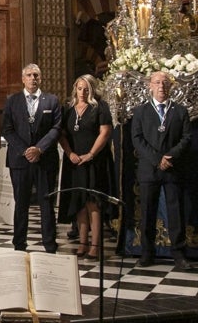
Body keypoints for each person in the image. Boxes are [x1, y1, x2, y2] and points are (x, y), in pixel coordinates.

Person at [130, 71, 192, 269]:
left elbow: (186, 138)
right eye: (157, 82)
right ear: (150, 85)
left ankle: (179, 254)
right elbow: (137, 139)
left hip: (174, 168)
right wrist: (158, 159)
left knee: (176, 212)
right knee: (148, 212)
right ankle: (147, 253)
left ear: (171, 86)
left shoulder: (180, 111)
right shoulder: (140, 111)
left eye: (165, 83)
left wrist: (170, 157)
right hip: (150, 169)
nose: (161, 86)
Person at [1, 64, 61, 253]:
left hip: (45, 160)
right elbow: (7, 129)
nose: (33, 78)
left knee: (46, 203)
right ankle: (19, 244)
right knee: (21, 203)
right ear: (23, 78)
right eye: (29, 75)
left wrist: (39, 149)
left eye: (36, 75)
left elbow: (56, 128)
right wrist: (26, 150)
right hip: (20, 160)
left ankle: (50, 244)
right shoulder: (13, 101)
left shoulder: (52, 101)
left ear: (40, 78)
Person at [57, 74, 112, 262]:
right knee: (78, 201)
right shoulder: (69, 109)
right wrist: (70, 153)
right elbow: (62, 134)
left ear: (92, 89)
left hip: (93, 161)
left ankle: (95, 244)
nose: (82, 92)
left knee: (92, 202)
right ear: (75, 89)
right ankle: (82, 242)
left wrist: (91, 154)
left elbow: (105, 133)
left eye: (86, 88)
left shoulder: (100, 107)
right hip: (74, 161)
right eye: (80, 88)